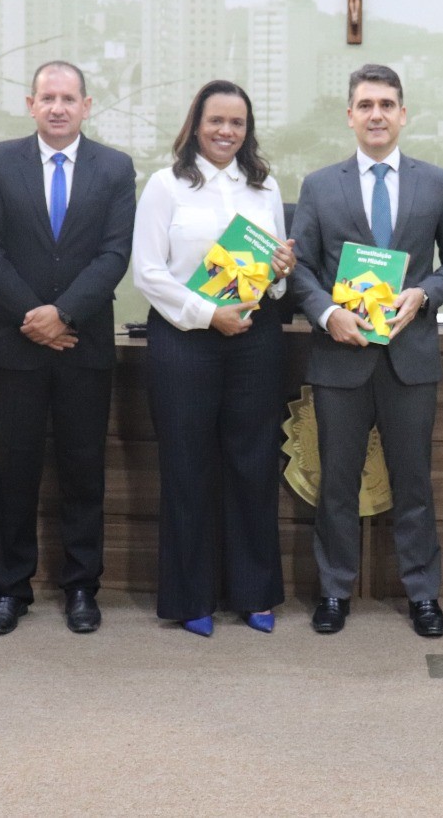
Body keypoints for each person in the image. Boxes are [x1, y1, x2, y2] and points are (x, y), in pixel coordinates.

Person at [288, 63, 443, 637]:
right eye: (366, 105)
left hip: (409, 356)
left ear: (403, 114)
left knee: (413, 483)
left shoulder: (435, 182)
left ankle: (423, 594)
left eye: (387, 104)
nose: (376, 115)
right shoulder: (320, 185)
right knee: (337, 483)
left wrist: (425, 293)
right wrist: (328, 313)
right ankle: (334, 591)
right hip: (340, 357)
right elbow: (301, 270)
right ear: (350, 115)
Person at [0, 61, 135, 636]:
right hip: (15, 346)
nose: (58, 108)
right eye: (48, 98)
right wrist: (34, 318)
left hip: (83, 344)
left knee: (84, 471)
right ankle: (9, 589)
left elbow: (114, 254)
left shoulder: (115, 168)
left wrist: (63, 315)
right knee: (14, 470)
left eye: (69, 99)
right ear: (30, 104)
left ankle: (82, 587)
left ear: (86, 106)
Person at [132, 79, 296, 637]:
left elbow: (275, 278)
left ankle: (255, 592)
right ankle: (191, 596)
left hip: (255, 337)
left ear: (248, 130)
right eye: (216, 121)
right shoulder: (165, 185)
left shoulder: (264, 187)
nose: (226, 131)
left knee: (254, 462)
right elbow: (148, 272)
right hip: (185, 338)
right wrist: (208, 314)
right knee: (187, 466)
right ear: (196, 125)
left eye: (237, 123)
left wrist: (281, 272)